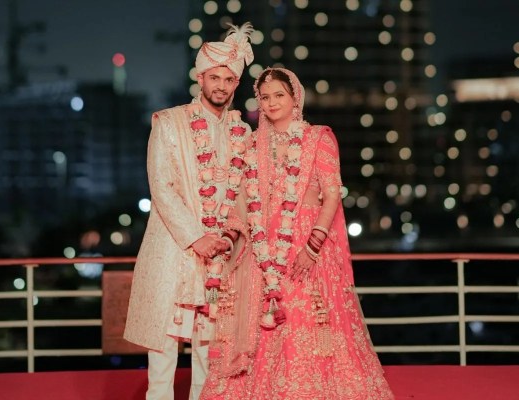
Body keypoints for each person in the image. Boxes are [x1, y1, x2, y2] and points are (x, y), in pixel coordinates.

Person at [200, 68, 394, 399]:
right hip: (263, 251)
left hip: (306, 245)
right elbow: (242, 203)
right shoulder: (251, 145)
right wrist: (229, 239)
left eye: (279, 95)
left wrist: (312, 247)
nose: (272, 102)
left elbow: (331, 195)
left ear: (295, 98)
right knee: (262, 327)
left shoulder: (318, 138)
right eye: (265, 97)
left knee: (307, 323)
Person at [123, 22, 254, 400]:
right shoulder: (168, 122)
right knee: (163, 350)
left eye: (229, 79)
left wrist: (227, 234)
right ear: (200, 78)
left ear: (236, 84)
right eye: (215, 77)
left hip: (222, 256)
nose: (221, 86)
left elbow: (244, 193)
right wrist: (197, 237)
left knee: (209, 351)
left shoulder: (243, 134)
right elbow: (161, 187)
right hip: (174, 250)